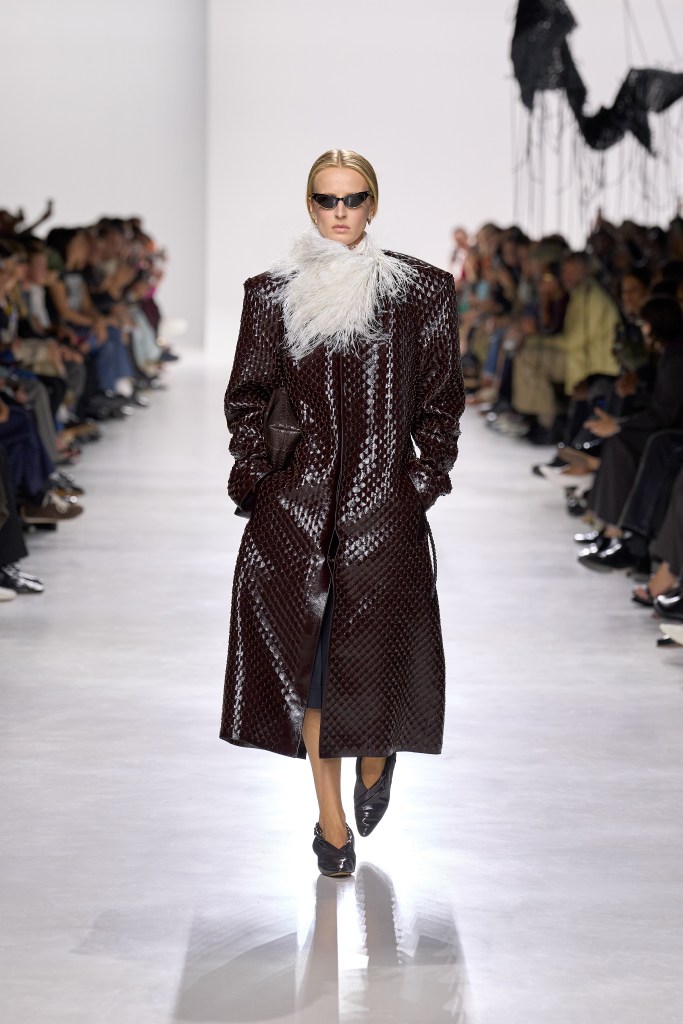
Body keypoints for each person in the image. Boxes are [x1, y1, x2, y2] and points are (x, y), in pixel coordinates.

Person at [220, 149, 465, 877]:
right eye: (326, 199)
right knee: (313, 677)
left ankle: (377, 752)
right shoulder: (272, 295)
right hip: (295, 515)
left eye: (352, 199)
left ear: (372, 204)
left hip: (382, 511)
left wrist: (417, 485)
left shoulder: (419, 292)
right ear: (310, 205)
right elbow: (246, 397)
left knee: (374, 658)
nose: (339, 212)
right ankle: (331, 827)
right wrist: (262, 483)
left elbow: (441, 404)